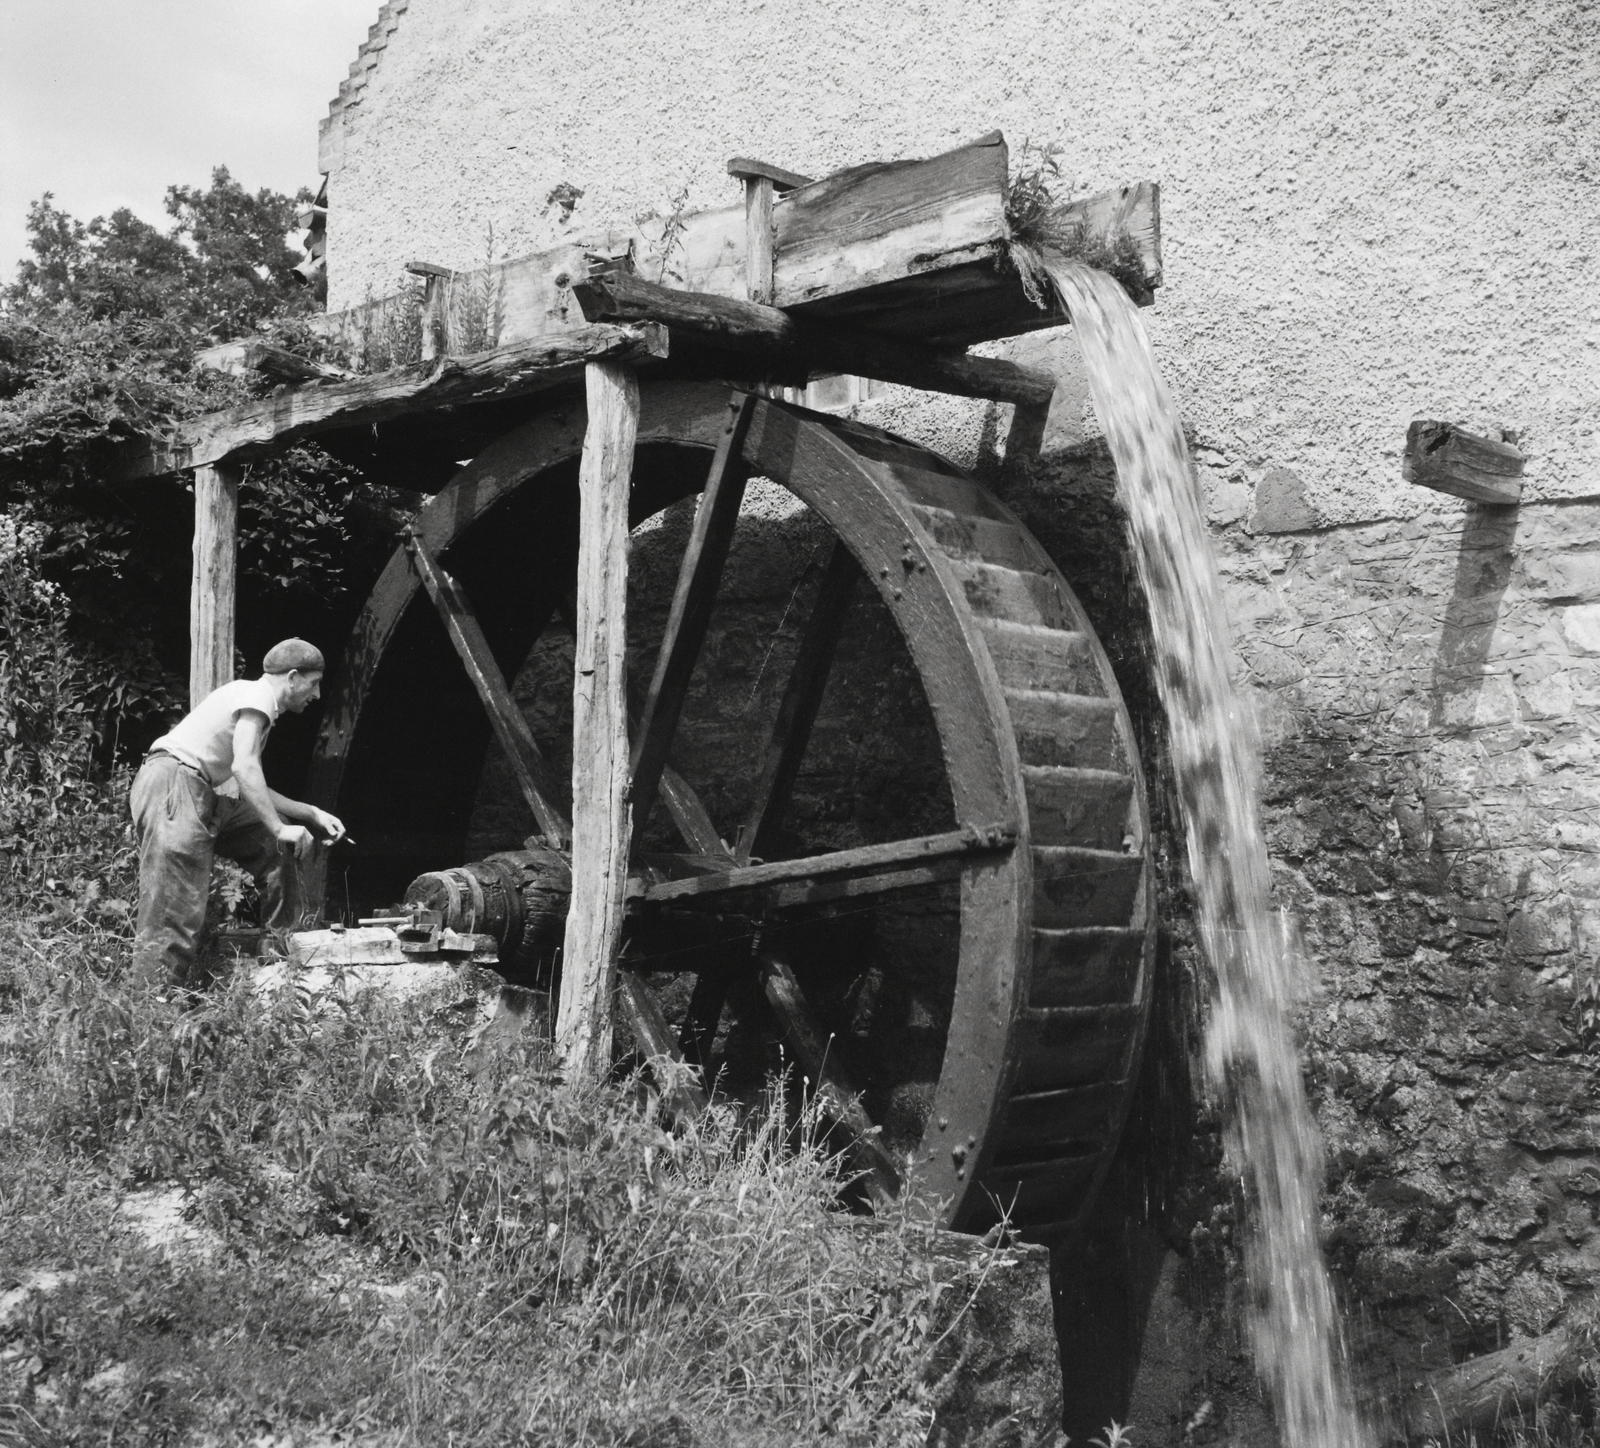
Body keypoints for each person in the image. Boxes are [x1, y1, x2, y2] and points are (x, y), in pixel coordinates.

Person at [130, 638, 346, 987]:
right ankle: (151, 1014)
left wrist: (311, 814)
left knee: (268, 841)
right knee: (174, 908)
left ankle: (280, 959)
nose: (317, 695)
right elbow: (245, 768)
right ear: (292, 678)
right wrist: (280, 828)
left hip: (195, 791)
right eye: (314, 683)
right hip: (173, 785)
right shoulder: (257, 697)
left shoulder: (256, 704)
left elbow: (254, 783)